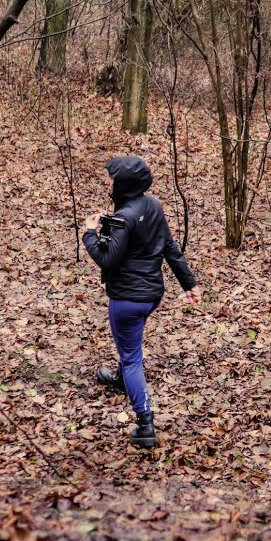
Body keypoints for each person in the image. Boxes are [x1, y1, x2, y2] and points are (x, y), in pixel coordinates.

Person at [83, 156, 201, 448]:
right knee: (130, 345)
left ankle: (145, 422)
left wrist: (89, 233)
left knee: (132, 357)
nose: (108, 182)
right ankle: (120, 379)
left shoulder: (124, 218)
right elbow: (170, 247)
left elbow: (107, 258)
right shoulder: (152, 206)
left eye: (112, 178)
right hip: (151, 296)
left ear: (123, 183)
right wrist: (189, 284)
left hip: (127, 299)